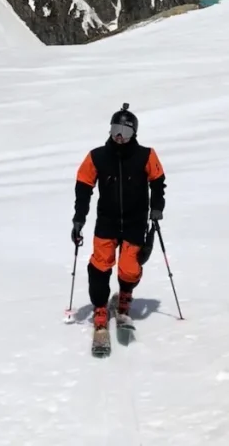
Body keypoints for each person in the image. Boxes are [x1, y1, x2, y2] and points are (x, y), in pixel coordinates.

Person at [71, 103, 165, 330]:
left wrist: (156, 208)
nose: (120, 137)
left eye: (125, 132)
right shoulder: (97, 157)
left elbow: (158, 181)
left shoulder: (146, 155)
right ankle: (100, 306)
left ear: (134, 133)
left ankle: (125, 293)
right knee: (100, 266)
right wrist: (79, 218)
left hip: (135, 221)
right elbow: (83, 186)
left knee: (130, 268)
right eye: (115, 131)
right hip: (107, 221)